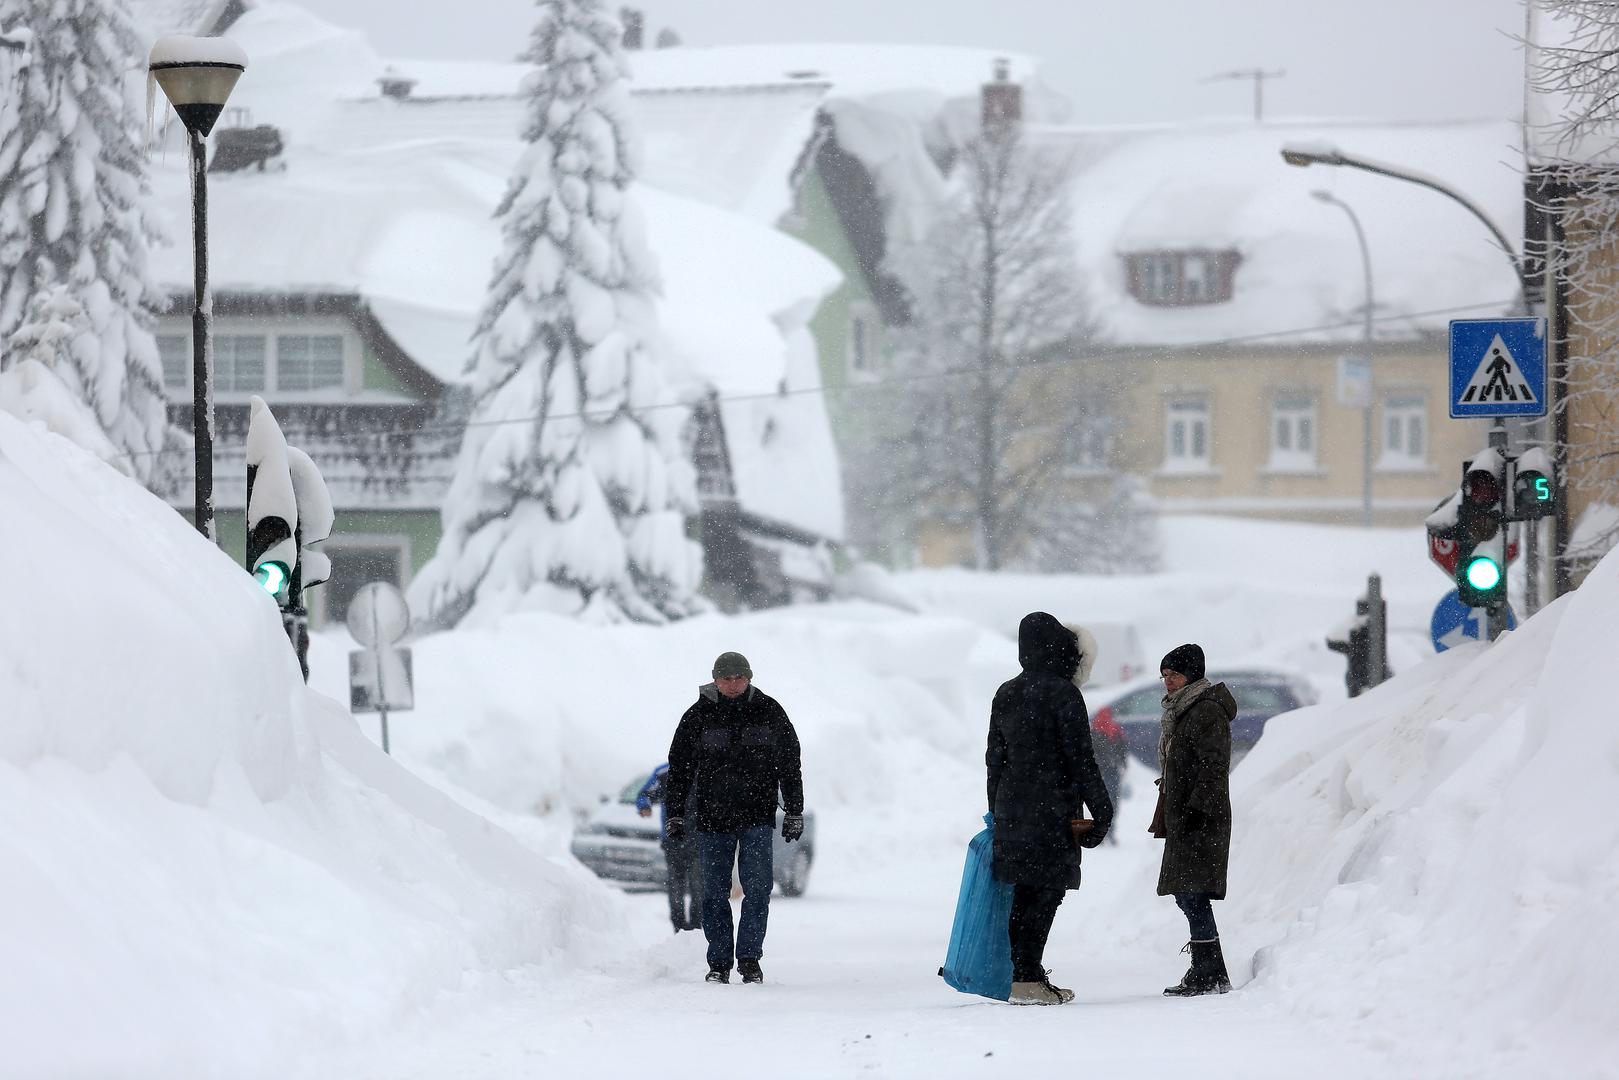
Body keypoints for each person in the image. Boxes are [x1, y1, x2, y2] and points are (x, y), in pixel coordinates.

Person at [988, 612, 1115, 1006]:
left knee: (1024, 891)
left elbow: (995, 759)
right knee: (1046, 891)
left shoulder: (1006, 692)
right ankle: (1026, 976)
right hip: (1052, 809)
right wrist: (1103, 809)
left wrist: (996, 809)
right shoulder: (1063, 694)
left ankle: (1024, 974)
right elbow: (1081, 758)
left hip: (1013, 808)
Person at [664, 651, 805, 986]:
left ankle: (749, 959)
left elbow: (790, 762)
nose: (732, 683)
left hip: (757, 817)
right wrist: (676, 814)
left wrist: (795, 810)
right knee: (713, 892)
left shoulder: (770, 712)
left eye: (738, 677)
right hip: (712, 820)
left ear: (749, 677)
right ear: (714, 678)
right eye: (725, 677)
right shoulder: (697, 716)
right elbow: (679, 768)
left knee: (758, 891)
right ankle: (719, 963)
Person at [1153, 643, 1236, 996]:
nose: (1168, 682)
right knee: (1187, 893)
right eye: (1165, 676)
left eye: (1174, 674)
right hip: (1187, 814)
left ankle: (1209, 972)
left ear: (1192, 674)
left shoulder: (1205, 711)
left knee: (1192, 893)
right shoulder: (1185, 710)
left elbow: (1214, 766)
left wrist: (1195, 809)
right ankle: (1208, 969)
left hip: (1201, 818)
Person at [635, 763, 701, 932]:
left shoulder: (706, 767)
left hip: (699, 838)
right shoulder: (665, 772)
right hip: (675, 839)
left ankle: (695, 927)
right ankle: (680, 928)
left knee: (696, 886)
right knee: (679, 885)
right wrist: (644, 806)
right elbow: (644, 794)